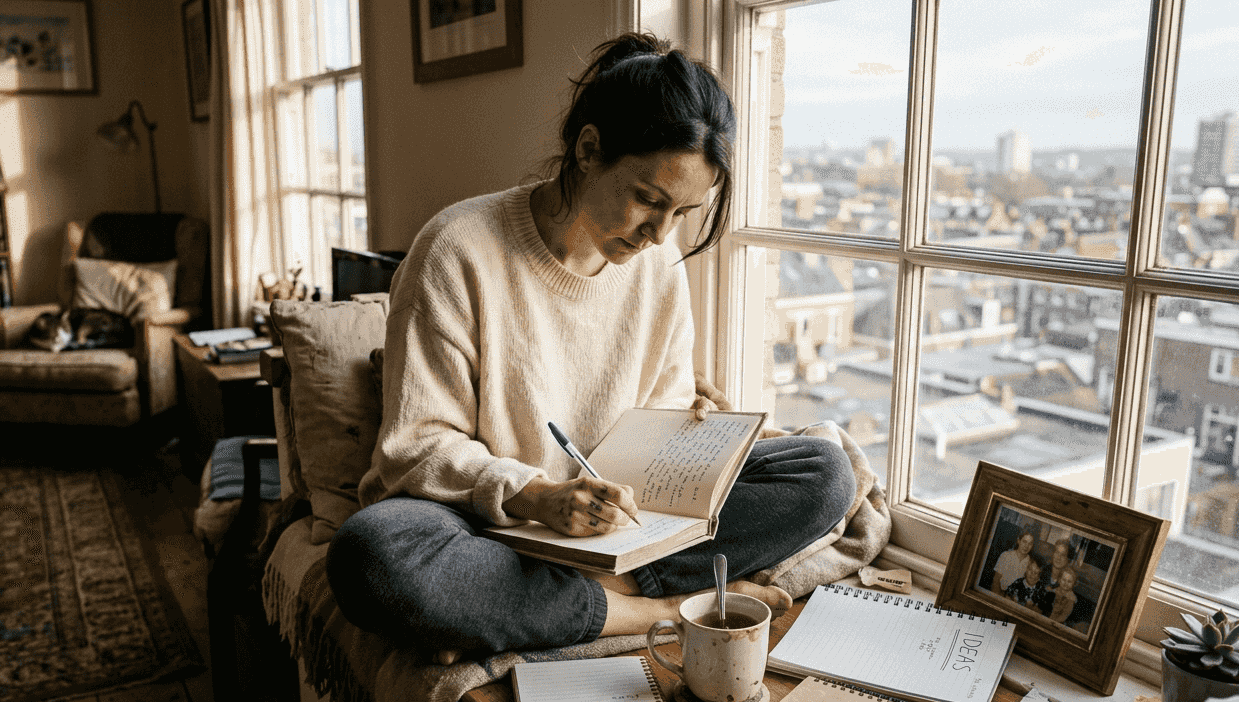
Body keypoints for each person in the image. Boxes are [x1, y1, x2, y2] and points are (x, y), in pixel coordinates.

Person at [329, 32, 857, 662]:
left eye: (683, 213)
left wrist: (696, 440)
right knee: (372, 555)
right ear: (588, 149)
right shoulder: (456, 249)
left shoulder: (657, 268)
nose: (659, 236)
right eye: (647, 200)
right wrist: (538, 498)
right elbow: (414, 451)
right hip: (485, 524)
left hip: (617, 528)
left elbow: (658, 421)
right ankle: (645, 610)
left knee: (823, 473)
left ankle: (532, 606)